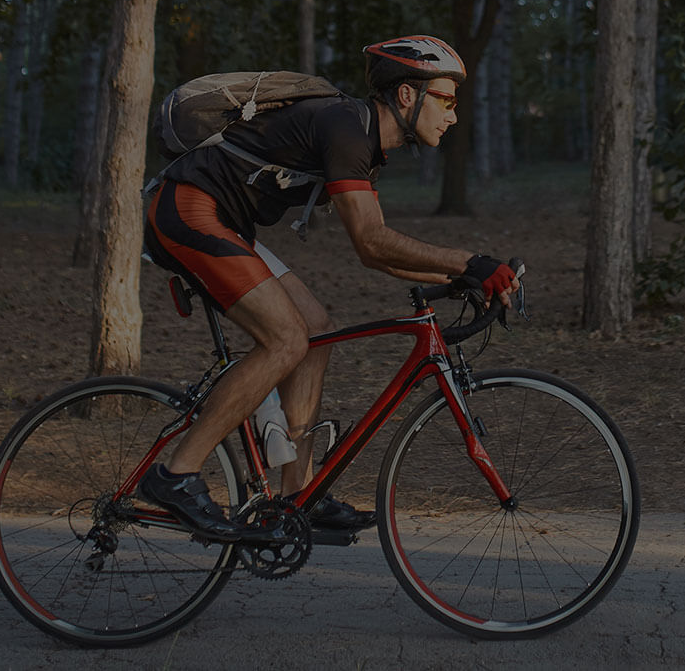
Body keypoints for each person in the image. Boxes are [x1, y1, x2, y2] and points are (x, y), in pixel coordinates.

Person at [139, 35, 521, 540]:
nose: (453, 115)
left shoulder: (363, 139)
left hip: (224, 223)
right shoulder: (347, 127)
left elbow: (375, 251)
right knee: (286, 339)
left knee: (315, 331)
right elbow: (373, 242)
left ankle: (298, 496)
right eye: (446, 100)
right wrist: (470, 263)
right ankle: (176, 475)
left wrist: (461, 278)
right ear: (408, 95)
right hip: (187, 211)